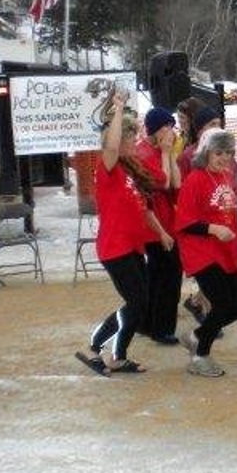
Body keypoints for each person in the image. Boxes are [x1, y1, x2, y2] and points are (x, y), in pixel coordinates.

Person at [75, 89, 160, 375]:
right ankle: (94, 347)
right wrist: (119, 109)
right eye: (130, 138)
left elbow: (142, 209)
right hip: (115, 247)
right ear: (119, 140)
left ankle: (119, 356)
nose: (135, 141)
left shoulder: (128, 170)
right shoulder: (107, 168)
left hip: (132, 247)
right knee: (136, 302)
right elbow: (110, 148)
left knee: (141, 303)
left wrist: (161, 233)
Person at [175, 128, 237, 377]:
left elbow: (227, 216)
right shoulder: (195, 179)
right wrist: (214, 229)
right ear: (206, 153)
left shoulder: (224, 176)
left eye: (229, 152)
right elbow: (184, 222)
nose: (224, 157)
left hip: (226, 251)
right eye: (219, 152)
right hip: (202, 253)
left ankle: (196, 336)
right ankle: (199, 356)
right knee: (221, 305)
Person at [135, 106, 183, 345]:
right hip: (154, 227)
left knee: (158, 276)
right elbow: (163, 183)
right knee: (168, 277)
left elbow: (176, 184)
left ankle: (148, 323)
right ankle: (162, 328)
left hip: (166, 222)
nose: (171, 131)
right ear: (155, 129)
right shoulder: (143, 152)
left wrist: (170, 154)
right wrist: (165, 153)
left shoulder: (158, 150)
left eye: (172, 126)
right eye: (167, 127)